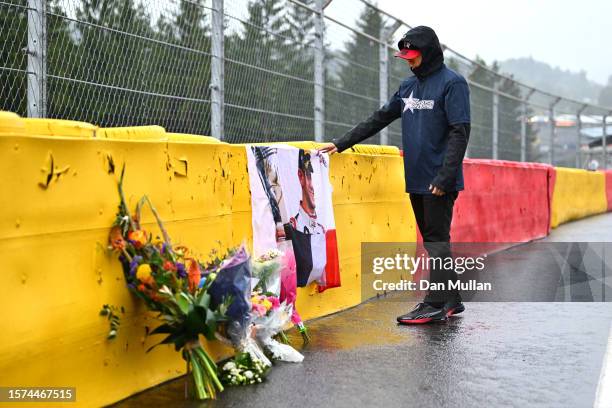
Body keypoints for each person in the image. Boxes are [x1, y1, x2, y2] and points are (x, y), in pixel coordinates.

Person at [318, 26, 470, 324]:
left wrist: (444, 177)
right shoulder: (407, 87)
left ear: (429, 53)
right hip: (415, 176)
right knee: (432, 240)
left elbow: (460, 131)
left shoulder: (453, 84)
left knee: (437, 240)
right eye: (406, 57)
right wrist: (342, 142)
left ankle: (435, 303)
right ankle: (452, 299)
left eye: (413, 57)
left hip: (440, 179)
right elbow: (380, 117)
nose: (408, 61)